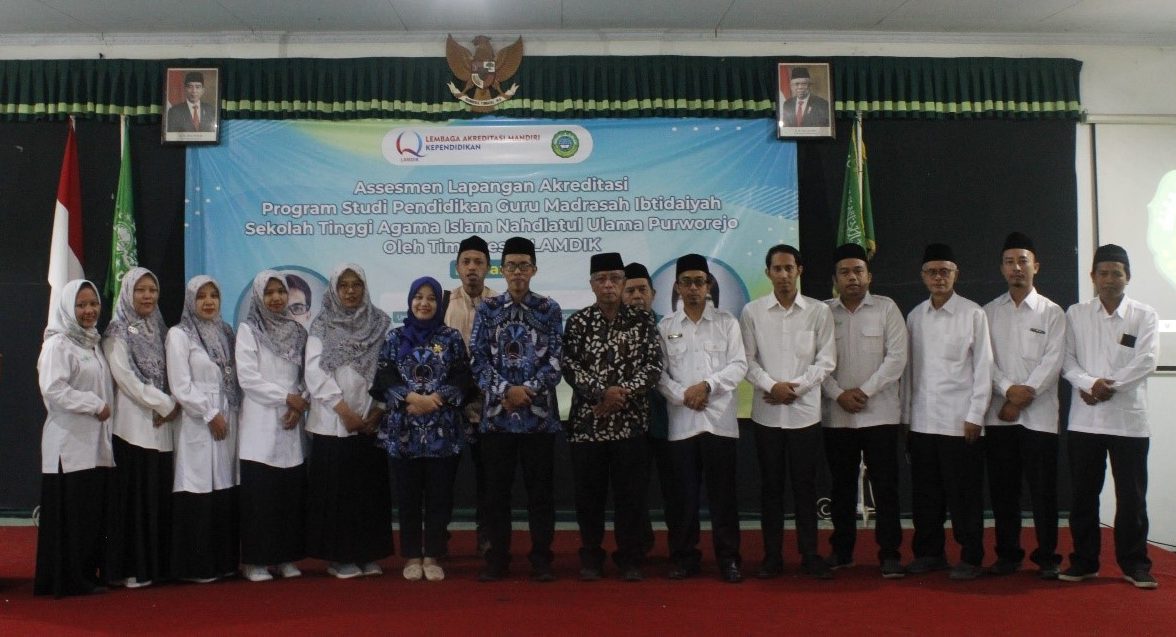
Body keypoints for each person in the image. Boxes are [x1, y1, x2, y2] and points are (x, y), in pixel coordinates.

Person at [1059, 244, 1160, 589]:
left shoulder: (1144, 314)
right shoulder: (1076, 314)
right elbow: (1066, 360)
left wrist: (1107, 387)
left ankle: (1135, 564)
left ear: (1127, 277)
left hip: (1129, 422)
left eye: (1117, 273)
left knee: (1131, 497)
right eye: (1103, 272)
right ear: (1093, 276)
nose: (1109, 279)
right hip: (1084, 421)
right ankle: (1084, 562)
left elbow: (1147, 360)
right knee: (1083, 496)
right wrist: (1090, 383)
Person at [563, 253, 663, 582]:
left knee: (630, 498)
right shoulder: (578, 323)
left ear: (622, 282)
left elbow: (653, 366)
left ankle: (629, 558)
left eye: (615, 279)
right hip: (587, 426)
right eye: (601, 279)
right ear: (592, 284)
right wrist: (601, 393)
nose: (608, 285)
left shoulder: (642, 321)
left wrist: (621, 394)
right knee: (589, 498)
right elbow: (569, 367)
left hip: (630, 425)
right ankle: (591, 557)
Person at [470, 237, 563, 582]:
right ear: (502, 270)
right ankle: (497, 559)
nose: (518, 272)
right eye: (511, 266)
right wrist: (505, 390)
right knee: (496, 495)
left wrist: (529, 390)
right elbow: (477, 359)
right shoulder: (487, 309)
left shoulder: (549, 309)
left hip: (539, 420)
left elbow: (556, 360)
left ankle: (541, 559)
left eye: (524, 265)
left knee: (541, 494)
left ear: (534, 269)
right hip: (497, 420)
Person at [740, 245, 836, 579]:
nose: (783, 275)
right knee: (771, 488)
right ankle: (772, 557)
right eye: (777, 269)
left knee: (806, 488)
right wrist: (772, 386)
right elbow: (746, 360)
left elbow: (826, 360)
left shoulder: (818, 311)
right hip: (767, 416)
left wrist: (794, 389)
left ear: (799, 271)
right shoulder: (752, 312)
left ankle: (810, 554)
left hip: (804, 414)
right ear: (768, 273)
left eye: (789, 268)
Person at [904, 243, 994, 581]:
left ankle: (971, 557)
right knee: (926, 495)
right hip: (923, 421)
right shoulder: (915, 316)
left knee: (964, 496)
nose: (938, 277)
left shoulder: (973, 314)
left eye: (945, 271)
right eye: (932, 271)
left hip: (960, 422)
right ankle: (930, 553)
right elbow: (909, 372)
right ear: (923, 276)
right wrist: (906, 419)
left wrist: (976, 415)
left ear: (956, 274)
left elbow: (984, 367)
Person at [372, 277, 470, 582]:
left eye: (430, 298)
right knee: (408, 497)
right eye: (418, 297)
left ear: (439, 304)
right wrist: (410, 398)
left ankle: (433, 555)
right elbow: (384, 376)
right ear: (410, 301)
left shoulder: (450, 337)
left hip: (443, 432)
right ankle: (413, 555)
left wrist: (436, 399)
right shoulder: (395, 337)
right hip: (404, 432)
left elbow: (463, 376)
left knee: (440, 497)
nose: (424, 303)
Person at [657, 254, 748, 583]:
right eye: (687, 282)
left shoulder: (727, 322)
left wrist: (707, 386)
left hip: (719, 423)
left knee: (723, 497)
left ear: (708, 285)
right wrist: (685, 395)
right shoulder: (666, 327)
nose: (693, 288)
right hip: (682, 424)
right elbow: (660, 375)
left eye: (699, 281)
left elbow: (739, 366)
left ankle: (729, 559)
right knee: (683, 498)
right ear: (677, 287)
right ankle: (684, 558)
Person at [821, 243, 908, 579]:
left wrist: (864, 391)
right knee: (841, 487)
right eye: (844, 272)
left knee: (886, 488)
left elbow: (896, 359)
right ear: (835, 279)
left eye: (858, 271)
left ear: (869, 275)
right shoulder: (823, 313)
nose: (852, 278)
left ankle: (890, 555)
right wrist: (838, 394)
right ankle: (842, 551)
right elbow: (814, 361)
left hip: (880, 415)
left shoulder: (887, 308)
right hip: (837, 415)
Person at [982, 233, 1065, 579]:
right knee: (1003, 491)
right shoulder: (988, 312)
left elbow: (1053, 361)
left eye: (1022, 261)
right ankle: (1008, 555)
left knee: (1043, 491)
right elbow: (984, 361)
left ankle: (1047, 557)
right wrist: (1007, 391)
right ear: (1002, 268)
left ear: (1036, 266)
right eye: (1009, 262)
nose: (1016, 268)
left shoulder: (1052, 313)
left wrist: (1021, 397)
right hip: (999, 416)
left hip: (1039, 417)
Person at [305, 264, 393, 579]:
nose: (351, 291)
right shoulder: (322, 325)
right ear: (334, 289)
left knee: (368, 492)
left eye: (356, 284)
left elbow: (389, 369)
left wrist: (378, 411)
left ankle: (368, 553)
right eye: (344, 285)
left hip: (370, 422)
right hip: (333, 422)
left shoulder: (380, 323)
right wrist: (344, 411)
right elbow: (314, 373)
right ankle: (339, 558)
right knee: (337, 494)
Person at [35, 279, 115, 596]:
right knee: (70, 517)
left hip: (92, 444)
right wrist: (94, 404)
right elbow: (53, 390)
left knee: (86, 516)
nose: (89, 310)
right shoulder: (58, 344)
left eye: (93, 304)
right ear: (69, 308)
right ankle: (66, 580)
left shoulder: (92, 343)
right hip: (67, 446)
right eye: (81, 305)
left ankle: (83, 576)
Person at [103, 267, 180, 589]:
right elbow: (126, 378)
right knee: (134, 501)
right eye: (140, 290)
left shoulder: (160, 328)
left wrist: (172, 402)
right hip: (132, 429)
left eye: (152, 290)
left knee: (156, 499)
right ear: (128, 293)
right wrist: (164, 404)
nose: (148, 296)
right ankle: (132, 568)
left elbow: (174, 371)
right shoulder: (116, 330)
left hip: (162, 429)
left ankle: (155, 567)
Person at [167, 275, 242, 583]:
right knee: (197, 487)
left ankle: (224, 563)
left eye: (214, 295)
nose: (209, 301)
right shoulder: (180, 334)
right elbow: (180, 385)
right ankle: (197, 566)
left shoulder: (226, 332)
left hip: (228, 415)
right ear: (190, 301)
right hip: (197, 420)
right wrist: (210, 414)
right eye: (201, 296)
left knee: (223, 485)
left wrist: (225, 414)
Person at [235, 270, 309, 582]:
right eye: (269, 292)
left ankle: (285, 558)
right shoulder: (249, 330)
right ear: (259, 296)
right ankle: (256, 561)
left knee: (288, 493)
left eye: (281, 291)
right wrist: (286, 398)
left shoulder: (298, 331)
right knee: (261, 496)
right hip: (260, 422)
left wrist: (300, 401)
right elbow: (248, 379)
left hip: (291, 422)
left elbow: (306, 375)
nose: (276, 298)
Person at [442, 235, 497, 556]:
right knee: (443, 475)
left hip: (488, 404)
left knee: (488, 475)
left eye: (478, 262)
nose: (472, 268)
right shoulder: (443, 303)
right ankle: (439, 535)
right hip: (449, 406)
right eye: (466, 262)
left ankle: (487, 533)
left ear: (488, 267)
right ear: (458, 267)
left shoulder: (499, 304)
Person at [623, 262, 676, 558]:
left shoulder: (668, 327)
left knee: (674, 488)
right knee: (633, 490)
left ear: (653, 294)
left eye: (642, 290)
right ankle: (638, 548)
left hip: (667, 421)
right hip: (628, 424)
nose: (636, 296)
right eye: (630, 290)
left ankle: (679, 549)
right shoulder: (613, 330)